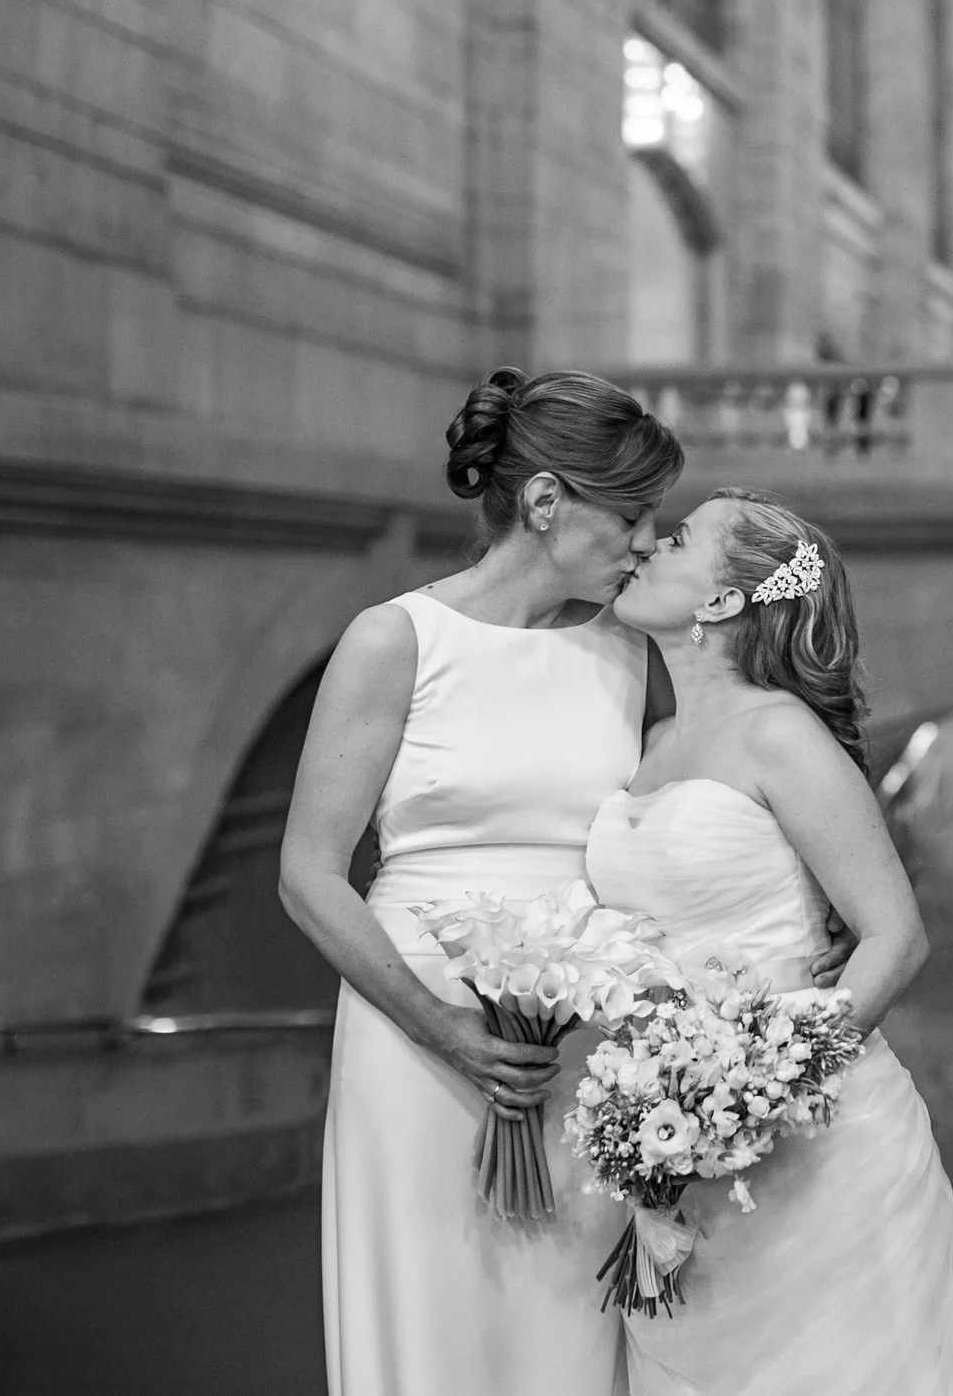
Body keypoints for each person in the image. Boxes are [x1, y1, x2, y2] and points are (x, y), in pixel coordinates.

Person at [277, 366, 680, 1396]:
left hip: (575, 1045)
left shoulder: (631, 653)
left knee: (565, 1322)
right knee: (432, 1307)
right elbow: (309, 874)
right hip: (413, 1036)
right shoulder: (394, 639)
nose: (644, 543)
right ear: (546, 501)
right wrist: (441, 1026)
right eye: (631, 516)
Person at [588, 488, 953, 1396]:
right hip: (677, 1139)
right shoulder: (650, 735)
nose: (645, 546)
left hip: (816, 1143)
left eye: (676, 540)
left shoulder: (778, 731)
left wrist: (763, 1090)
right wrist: (682, 1108)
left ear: (720, 602)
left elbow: (895, 937)